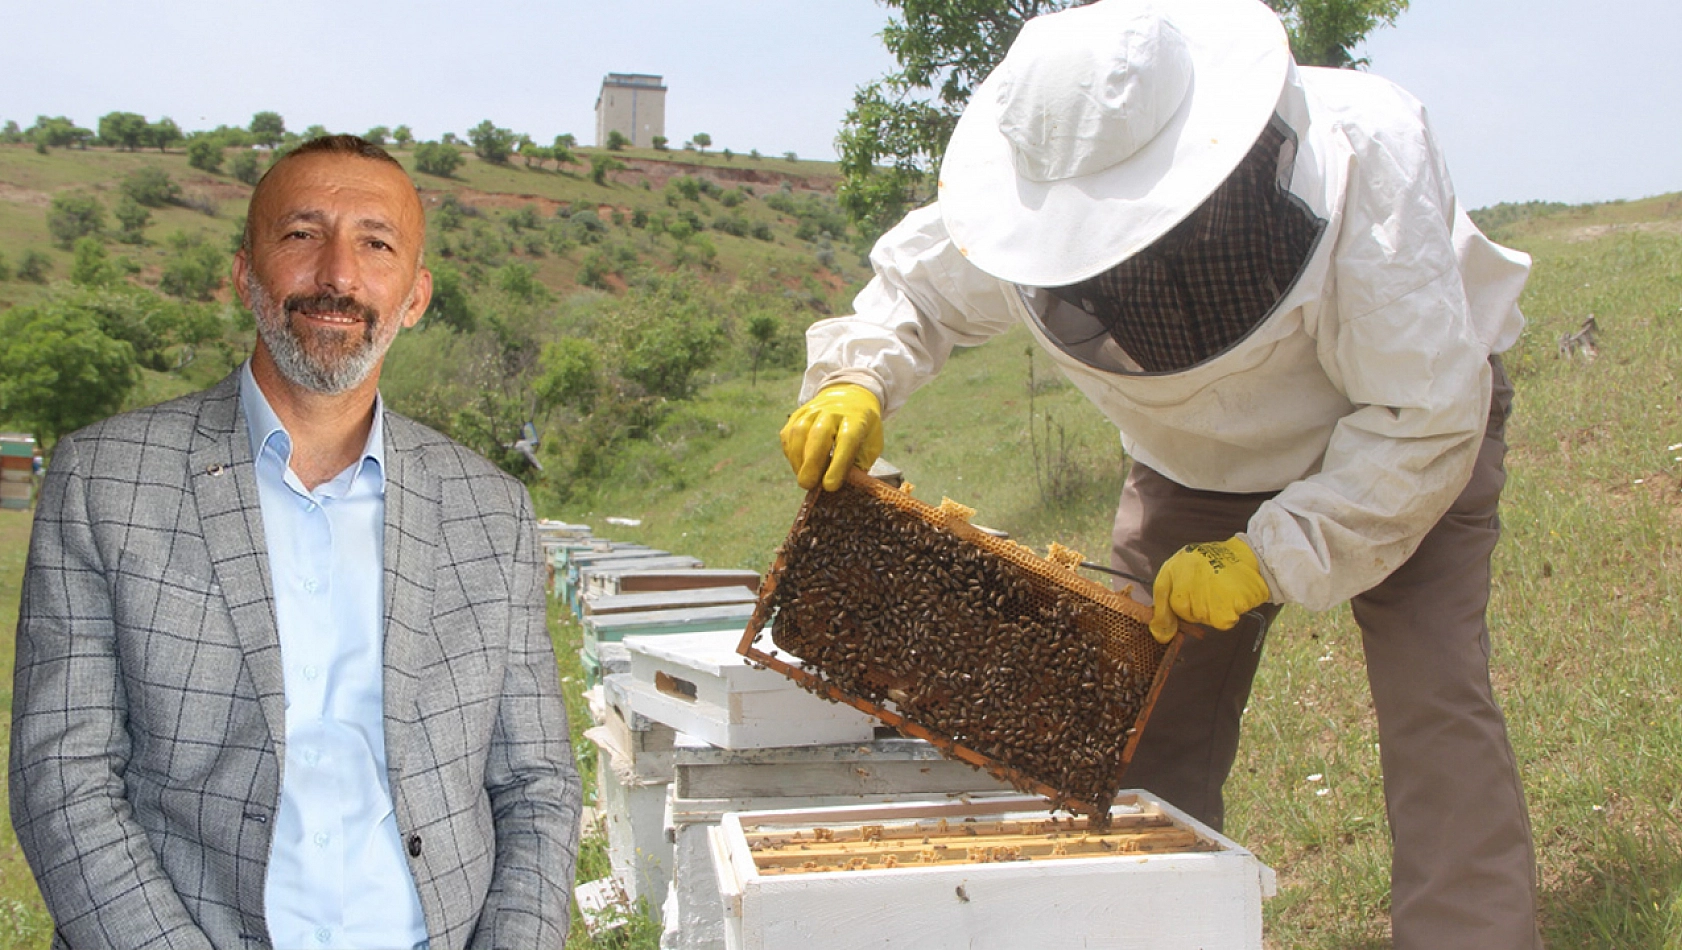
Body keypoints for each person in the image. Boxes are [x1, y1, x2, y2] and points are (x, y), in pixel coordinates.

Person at [778, 1, 1539, 947]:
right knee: (1144, 718)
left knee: (1433, 693)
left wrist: (1271, 556)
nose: (1122, 266)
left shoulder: (1370, 155)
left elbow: (1423, 418)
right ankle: (1141, 925)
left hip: (1400, 434)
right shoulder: (1042, 192)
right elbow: (922, 287)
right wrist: (858, 375)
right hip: (1195, 464)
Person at [10, 135, 582, 949]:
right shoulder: (106, 479)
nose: (339, 276)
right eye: (301, 235)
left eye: (375, 244)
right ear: (245, 274)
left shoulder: (492, 510)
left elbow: (537, 786)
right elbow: (61, 778)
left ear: (415, 296)